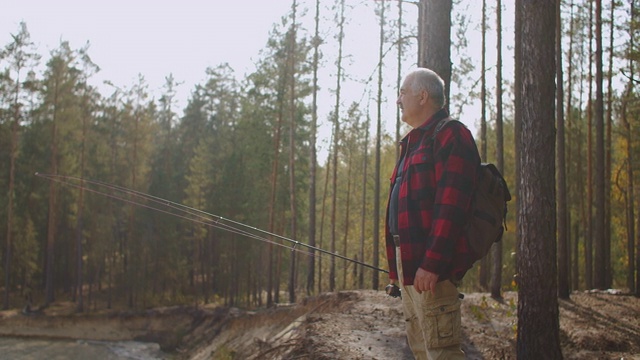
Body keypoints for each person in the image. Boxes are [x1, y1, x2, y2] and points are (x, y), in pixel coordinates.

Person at [385, 68, 480, 359]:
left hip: (430, 268)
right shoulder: (412, 142)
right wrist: (397, 272)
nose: (398, 100)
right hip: (409, 264)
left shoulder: (452, 134)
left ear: (422, 95)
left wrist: (432, 263)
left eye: (402, 93)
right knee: (421, 349)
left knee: (442, 352)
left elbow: (452, 207)